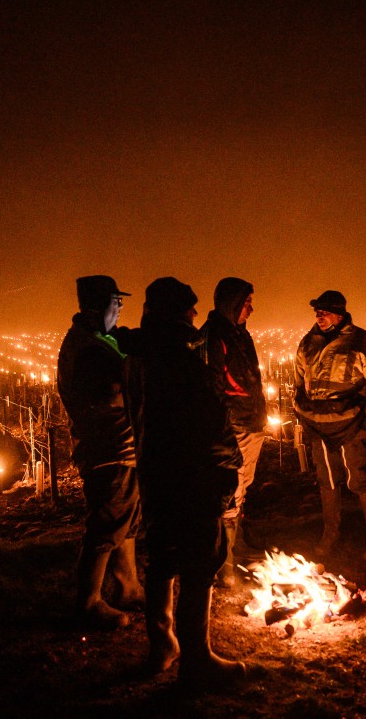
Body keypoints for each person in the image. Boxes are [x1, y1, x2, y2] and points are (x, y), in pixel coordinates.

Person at [123, 277, 246, 685]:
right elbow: (209, 425)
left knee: (162, 560)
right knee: (199, 562)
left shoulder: (139, 356)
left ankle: (163, 646)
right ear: (178, 313)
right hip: (191, 475)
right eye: (189, 308)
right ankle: (198, 657)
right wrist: (228, 470)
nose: (196, 314)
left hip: (156, 472)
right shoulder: (180, 360)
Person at [56, 275, 143, 630]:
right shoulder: (90, 351)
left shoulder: (96, 341)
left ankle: (128, 586)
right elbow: (113, 393)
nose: (120, 307)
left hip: (121, 445)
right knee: (107, 521)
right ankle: (89, 601)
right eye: (115, 301)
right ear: (96, 307)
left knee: (125, 518)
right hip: (109, 447)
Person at [293, 290, 366, 562]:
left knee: (362, 481)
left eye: (324, 311)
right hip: (318, 427)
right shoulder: (307, 343)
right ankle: (330, 535)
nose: (318, 316)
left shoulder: (362, 341)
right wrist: (303, 413)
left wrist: (365, 416)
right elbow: (300, 384)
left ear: (339, 313)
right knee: (327, 483)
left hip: (351, 426)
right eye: (317, 311)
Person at [199, 277, 269, 588]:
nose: (252, 308)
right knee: (229, 492)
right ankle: (222, 564)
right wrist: (224, 426)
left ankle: (235, 549)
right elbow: (213, 387)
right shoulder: (215, 336)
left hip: (250, 424)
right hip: (235, 426)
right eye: (247, 302)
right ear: (232, 303)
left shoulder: (239, 334)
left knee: (242, 489)